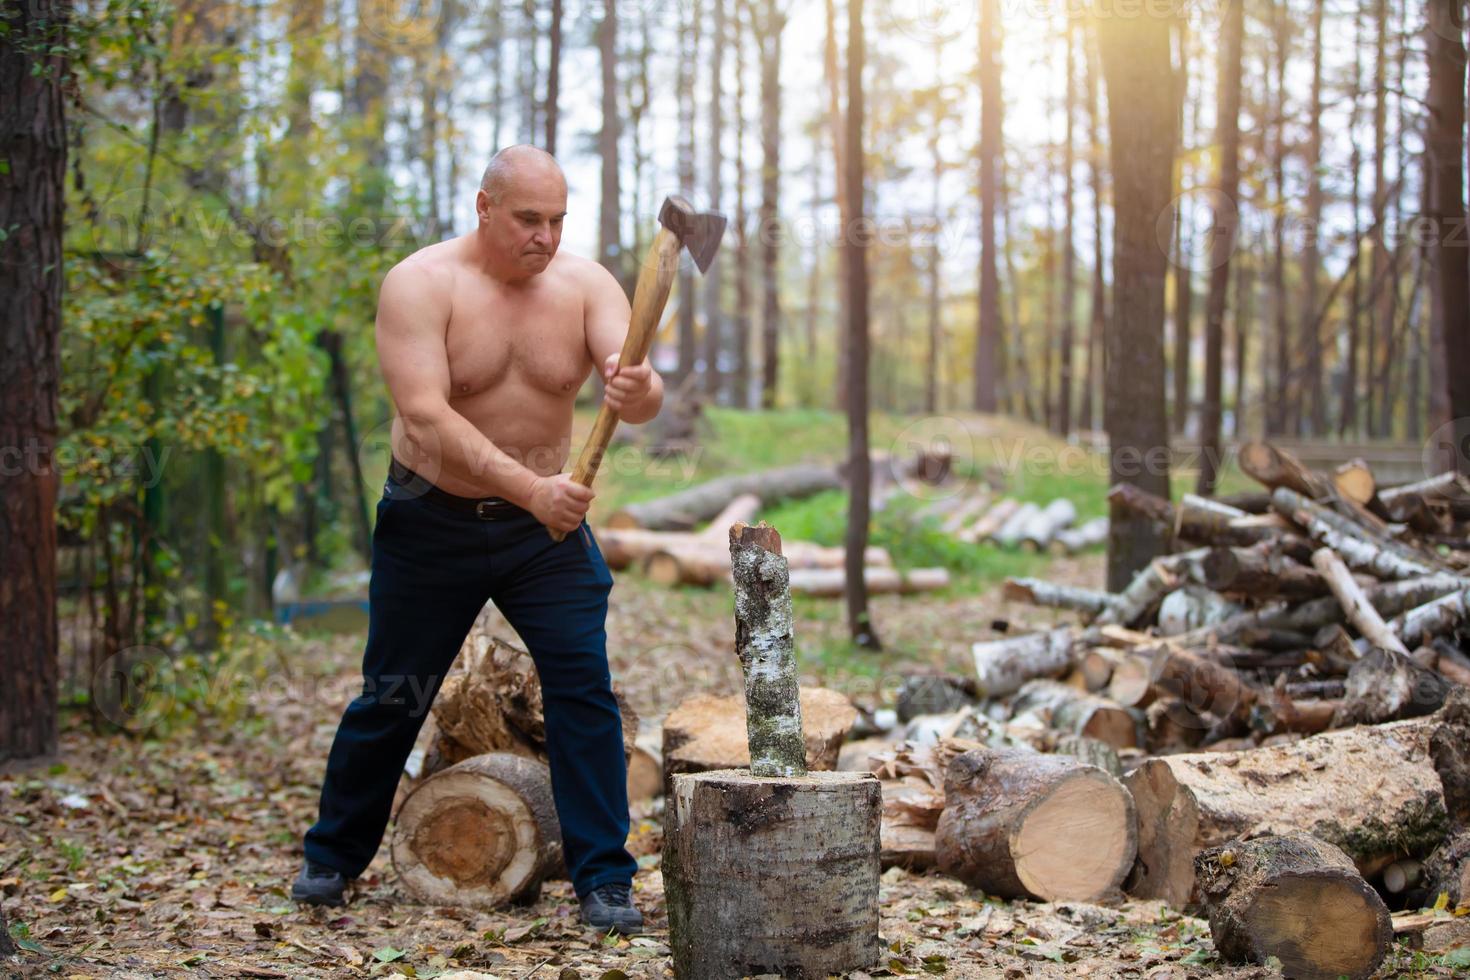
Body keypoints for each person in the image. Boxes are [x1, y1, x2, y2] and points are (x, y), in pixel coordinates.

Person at [290, 145, 661, 935]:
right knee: (396, 692)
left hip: (544, 533)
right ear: (485, 206)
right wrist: (532, 489)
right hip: (434, 519)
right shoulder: (421, 284)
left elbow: (638, 384)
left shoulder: (587, 283)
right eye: (529, 218)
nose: (546, 236)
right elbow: (426, 414)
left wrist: (641, 388)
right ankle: (333, 855)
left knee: (582, 693)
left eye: (559, 219)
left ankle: (603, 879)